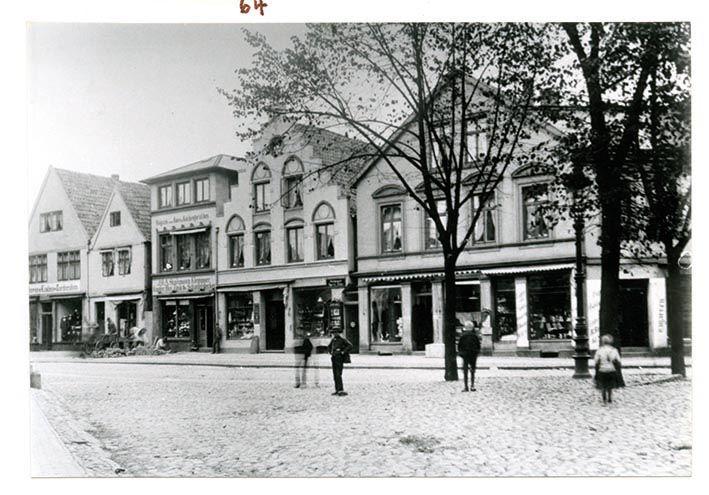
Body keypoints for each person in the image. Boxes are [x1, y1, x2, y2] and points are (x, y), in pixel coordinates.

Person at [594, 334, 624, 403]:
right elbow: (618, 361)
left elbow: (596, 361)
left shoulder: (599, 350)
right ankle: (610, 397)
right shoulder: (614, 350)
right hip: (611, 369)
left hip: (602, 370)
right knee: (610, 385)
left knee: (603, 385)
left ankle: (604, 397)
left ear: (602, 342)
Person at [327, 330, 353, 396]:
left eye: (336, 332)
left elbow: (350, 346)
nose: (335, 334)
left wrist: (343, 352)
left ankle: (340, 389)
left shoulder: (342, 340)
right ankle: (337, 390)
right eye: (334, 333)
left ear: (339, 333)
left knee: (338, 374)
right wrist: (331, 352)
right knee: (335, 374)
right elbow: (329, 347)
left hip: (339, 358)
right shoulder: (333, 340)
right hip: (334, 357)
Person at [458, 320, 481, 392]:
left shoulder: (462, 336)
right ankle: (472, 386)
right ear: (472, 327)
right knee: (473, 370)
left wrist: (461, 354)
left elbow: (459, 346)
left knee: (465, 371)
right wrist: (477, 353)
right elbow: (478, 346)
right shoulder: (475, 336)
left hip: (465, 355)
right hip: (473, 355)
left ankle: (466, 386)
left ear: (465, 327)